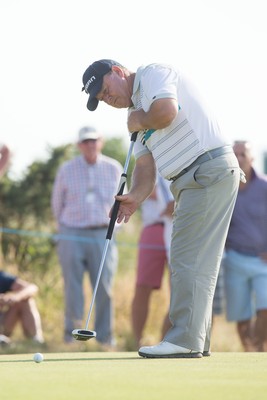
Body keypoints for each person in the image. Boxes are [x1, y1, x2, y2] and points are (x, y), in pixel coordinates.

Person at [80, 59, 242, 358]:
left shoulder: (153, 75)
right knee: (198, 263)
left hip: (205, 170)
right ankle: (196, 339)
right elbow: (145, 165)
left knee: (185, 258)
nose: (107, 99)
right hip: (195, 179)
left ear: (117, 71)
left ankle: (184, 340)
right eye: (102, 99)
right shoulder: (135, 113)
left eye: (105, 90)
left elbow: (166, 112)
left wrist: (140, 120)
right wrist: (136, 196)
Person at [51, 126, 124, 346]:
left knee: (104, 286)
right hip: (72, 232)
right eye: (86, 141)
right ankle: (72, 337)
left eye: (94, 141)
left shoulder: (113, 167)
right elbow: (57, 203)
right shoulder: (66, 169)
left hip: (103, 233)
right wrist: (62, 229)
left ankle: (105, 338)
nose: (90, 145)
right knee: (72, 286)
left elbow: (122, 203)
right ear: (79, 145)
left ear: (100, 142)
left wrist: (115, 229)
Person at [223, 140, 267, 352]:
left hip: (262, 259)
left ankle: (259, 347)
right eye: (235, 154)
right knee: (241, 315)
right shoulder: (223, 187)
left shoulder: (265, 186)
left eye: (243, 154)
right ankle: (250, 352)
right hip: (234, 258)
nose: (239, 158)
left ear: (252, 158)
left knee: (265, 308)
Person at [131, 173, 174, 348]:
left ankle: (166, 341)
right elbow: (146, 190)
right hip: (153, 227)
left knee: (178, 291)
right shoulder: (147, 160)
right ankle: (136, 342)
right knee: (143, 287)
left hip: (178, 229)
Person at [0, 270, 44, 345]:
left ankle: (35, 341)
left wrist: (15, 297)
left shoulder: (1, 277)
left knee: (24, 300)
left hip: (3, 324)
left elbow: (32, 288)